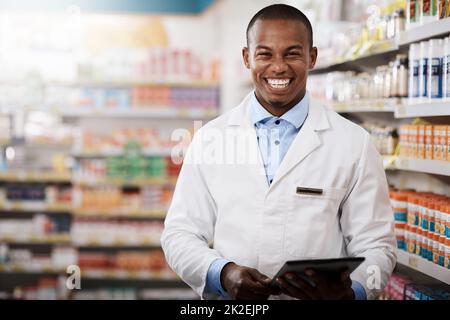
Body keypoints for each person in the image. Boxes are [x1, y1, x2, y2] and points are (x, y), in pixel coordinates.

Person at [161, 4, 396, 300]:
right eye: (265, 54)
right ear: (247, 58)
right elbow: (179, 234)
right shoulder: (211, 139)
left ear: (312, 57)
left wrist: (355, 292)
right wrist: (222, 273)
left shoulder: (354, 143)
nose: (278, 67)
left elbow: (378, 245)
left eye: (292, 53)